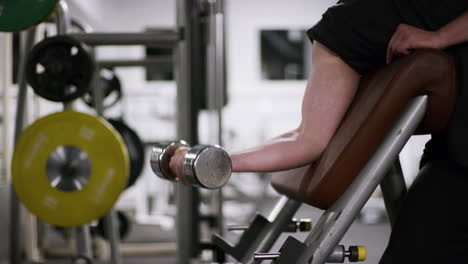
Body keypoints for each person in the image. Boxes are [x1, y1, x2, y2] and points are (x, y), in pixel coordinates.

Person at [170, 1, 468, 263]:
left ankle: (215, 159)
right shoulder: (353, 34)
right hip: (360, 31)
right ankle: (216, 160)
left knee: (306, 136)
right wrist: (440, 37)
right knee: (308, 139)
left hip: (355, 27)